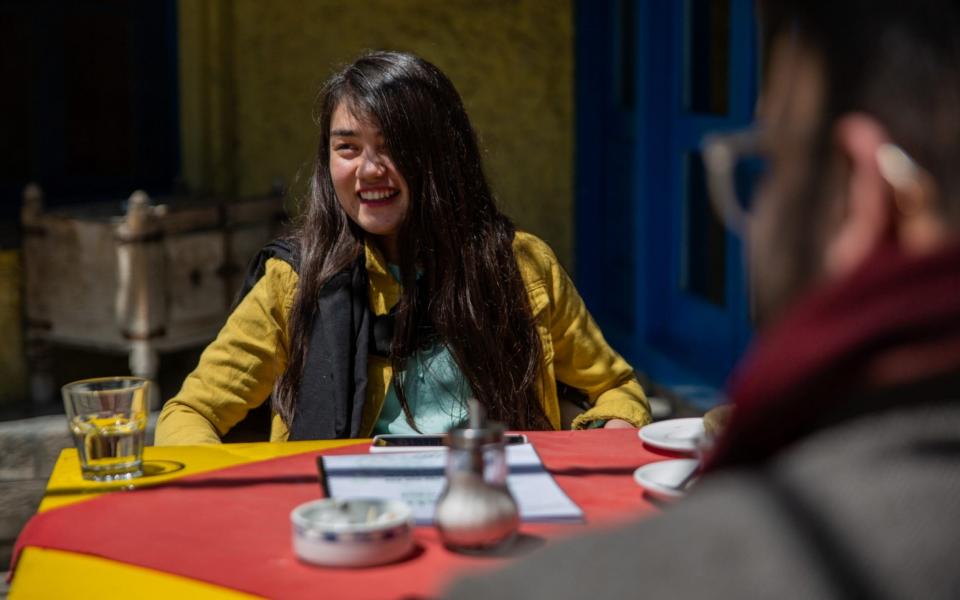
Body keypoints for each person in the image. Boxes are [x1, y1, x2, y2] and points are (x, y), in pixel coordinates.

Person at [445, 1, 960, 598]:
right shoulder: (310, 271)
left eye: (768, 162)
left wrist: (611, 419)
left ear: (869, 193)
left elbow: (613, 383)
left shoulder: (522, 260)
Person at [155, 51, 650, 445]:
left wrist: (607, 434)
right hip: (356, 516)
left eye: (393, 145)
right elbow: (191, 411)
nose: (369, 170)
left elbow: (613, 389)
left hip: (492, 497)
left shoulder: (521, 266)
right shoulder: (296, 281)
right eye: (346, 147)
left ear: (441, 156)